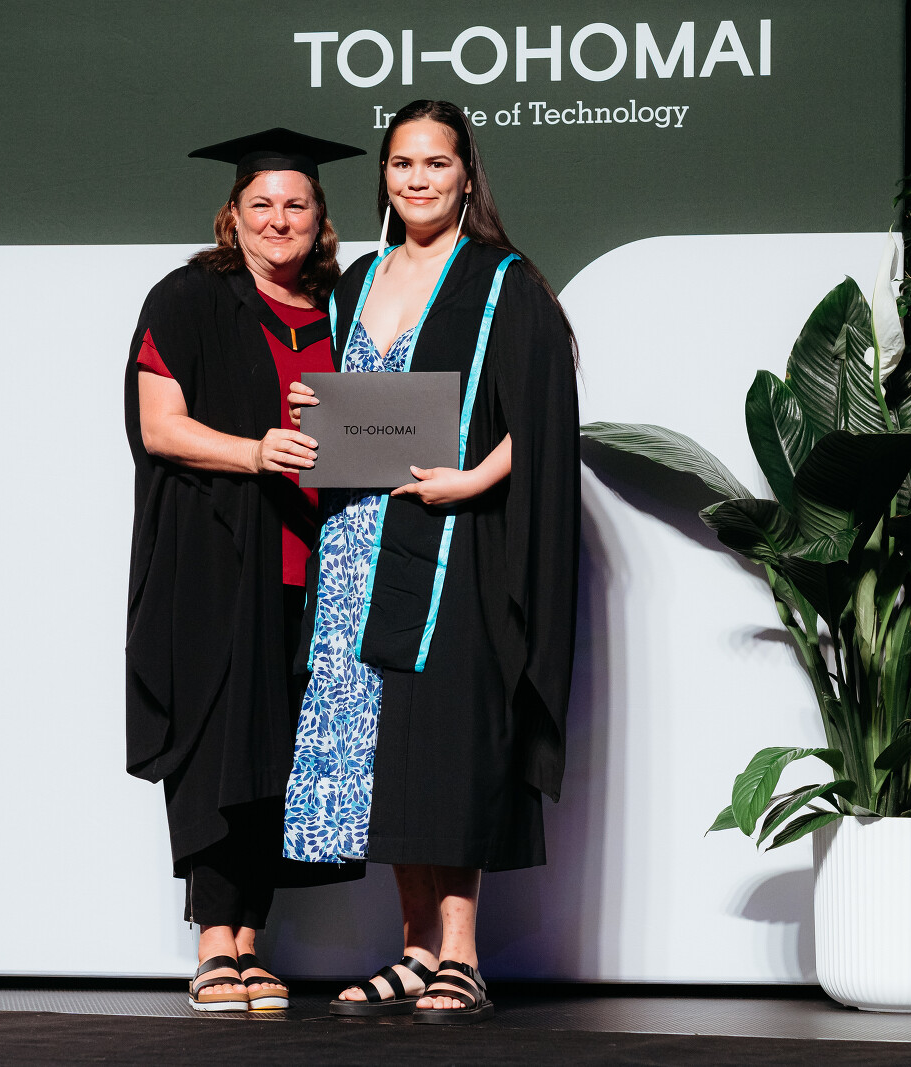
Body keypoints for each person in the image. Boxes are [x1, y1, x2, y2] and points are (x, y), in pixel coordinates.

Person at [284, 100, 580, 1024]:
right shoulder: (354, 281)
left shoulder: (502, 281)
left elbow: (543, 417)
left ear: (466, 175)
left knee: (445, 740)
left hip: (451, 538)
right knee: (385, 748)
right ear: (384, 175)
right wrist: (313, 418)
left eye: (437, 163)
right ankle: (414, 950)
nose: (418, 179)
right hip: (355, 542)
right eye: (403, 163)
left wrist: (473, 479)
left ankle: (462, 954)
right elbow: (351, 407)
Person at [123, 128, 365, 1013]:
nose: (277, 219)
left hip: (318, 562)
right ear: (232, 215)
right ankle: (212, 944)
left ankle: (253, 941)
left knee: (283, 754)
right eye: (260, 203)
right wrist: (255, 452)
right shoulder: (189, 297)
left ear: (319, 217)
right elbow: (160, 426)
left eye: (295, 204)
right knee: (215, 742)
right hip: (216, 561)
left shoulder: (345, 307)